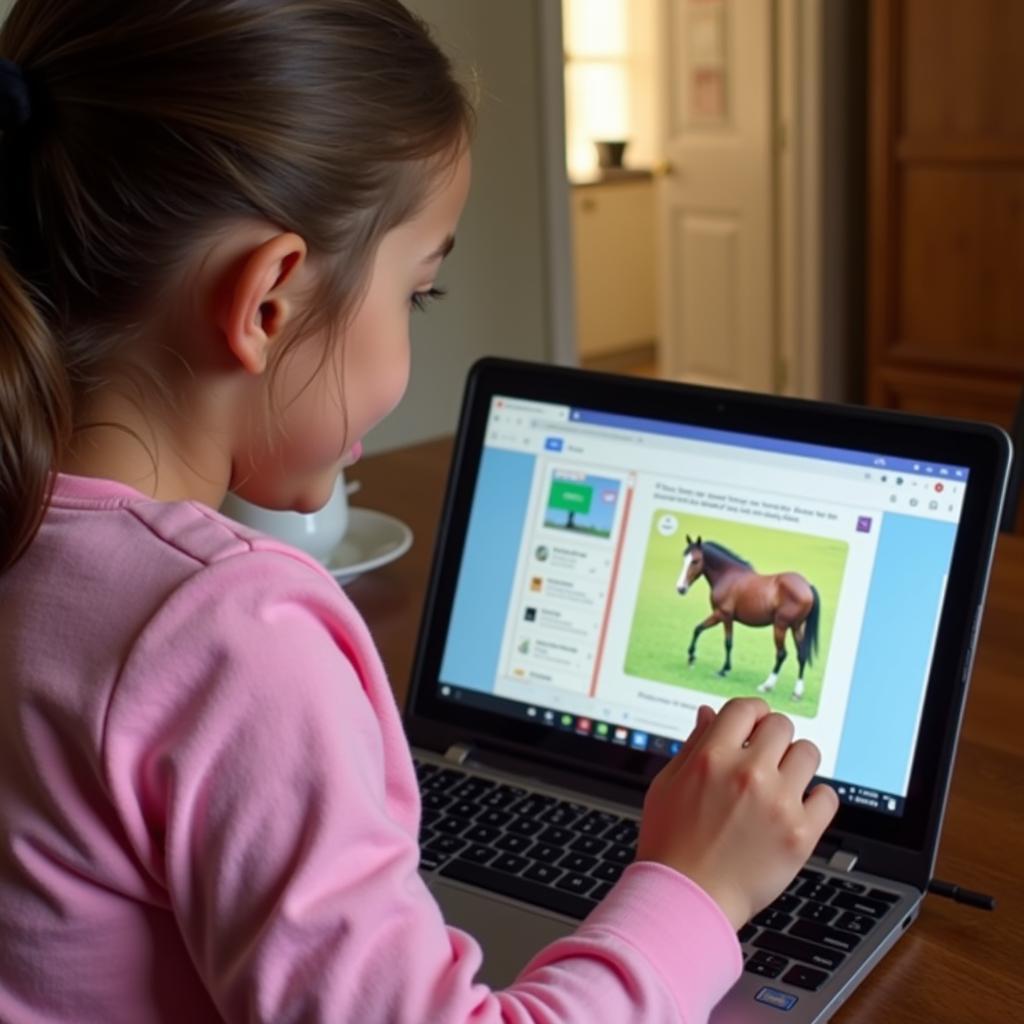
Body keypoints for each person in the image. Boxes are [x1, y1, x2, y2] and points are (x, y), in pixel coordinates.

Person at [0, 2, 839, 1021]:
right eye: (418, 292)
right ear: (270, 301)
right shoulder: (229, 636)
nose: (413, 326)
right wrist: (696, 888)